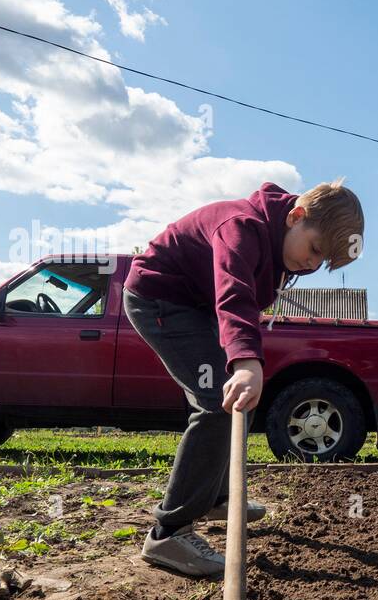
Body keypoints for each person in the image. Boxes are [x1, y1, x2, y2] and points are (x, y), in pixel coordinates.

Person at [122, 178, 363, 576]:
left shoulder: (277, 243)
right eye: (315, 249)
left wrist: (244, 366)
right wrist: (247, 361)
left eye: (322, 262)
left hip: (197, 304)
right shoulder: (241, 227)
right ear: (296, 216)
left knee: (239, 400)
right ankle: (168, 533)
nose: (312, 264)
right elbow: (233, 295)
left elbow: (244, 302)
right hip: (160, 299)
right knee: (218, 405)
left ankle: (216, 496)